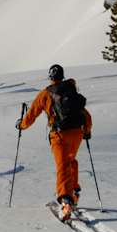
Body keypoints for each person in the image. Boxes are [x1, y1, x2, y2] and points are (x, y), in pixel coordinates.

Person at [18, 64, 92, 220]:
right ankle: (74, 193)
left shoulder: (45, 94)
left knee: (62, 165)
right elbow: (85, 114)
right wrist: (87, 130)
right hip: (77, 132)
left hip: (59, 134)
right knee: (70, 160)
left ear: (50, 77)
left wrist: (21, 125)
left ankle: (66, 201)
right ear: (62, 76)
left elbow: (31, 115)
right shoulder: (71, 90)